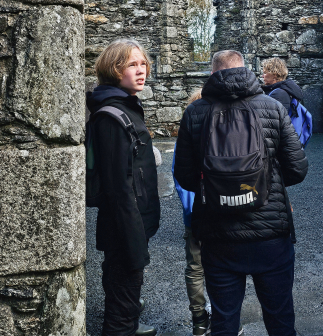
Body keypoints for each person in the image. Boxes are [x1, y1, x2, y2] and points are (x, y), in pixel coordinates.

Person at [174, 50, 308, 336]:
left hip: (217, 234)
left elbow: (184, 176)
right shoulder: (272, 107)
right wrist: (267, 181)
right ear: (245, 70)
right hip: (271, 234)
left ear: (212, 75)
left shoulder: (195, 112)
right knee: (281, 317)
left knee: (224, 320)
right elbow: (297, 169)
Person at [86, 39, 160, 336]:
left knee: (124, 298)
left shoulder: (124, 107)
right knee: (122, 308)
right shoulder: (113, 116)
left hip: (131, 225)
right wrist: (134, 243)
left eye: (143, 64)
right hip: (124, 229)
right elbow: (119, 188)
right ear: (114, 69)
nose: (141, 71)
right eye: (132, 65)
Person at [172, 89, 245, 336]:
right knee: (222, 266)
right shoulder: (223, 139)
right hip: (219, 213)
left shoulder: (184, 139)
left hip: (194, 214)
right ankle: (223, 317)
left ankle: (199, 319)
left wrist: (190, 208)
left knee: (195, 266)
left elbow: (181, 180)